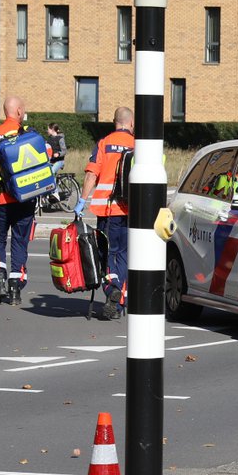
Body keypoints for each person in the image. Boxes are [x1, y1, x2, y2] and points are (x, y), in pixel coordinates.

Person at [0, 95, 38, 306]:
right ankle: (15, 291)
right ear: (19, 112)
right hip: (25, 200)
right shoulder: (29, 135)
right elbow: (45, 157)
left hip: (0, 200)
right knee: (20, 243)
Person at [79, 107, 135, 321]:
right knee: (126, 255)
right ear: (131, 123)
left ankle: (112, 288)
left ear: (115, 122)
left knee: (108, 254)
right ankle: (120, 301)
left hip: (108, 210)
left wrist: (82, 200)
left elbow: (92, 174)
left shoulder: (104, 144)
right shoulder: (138, 145)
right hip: (131, 212)